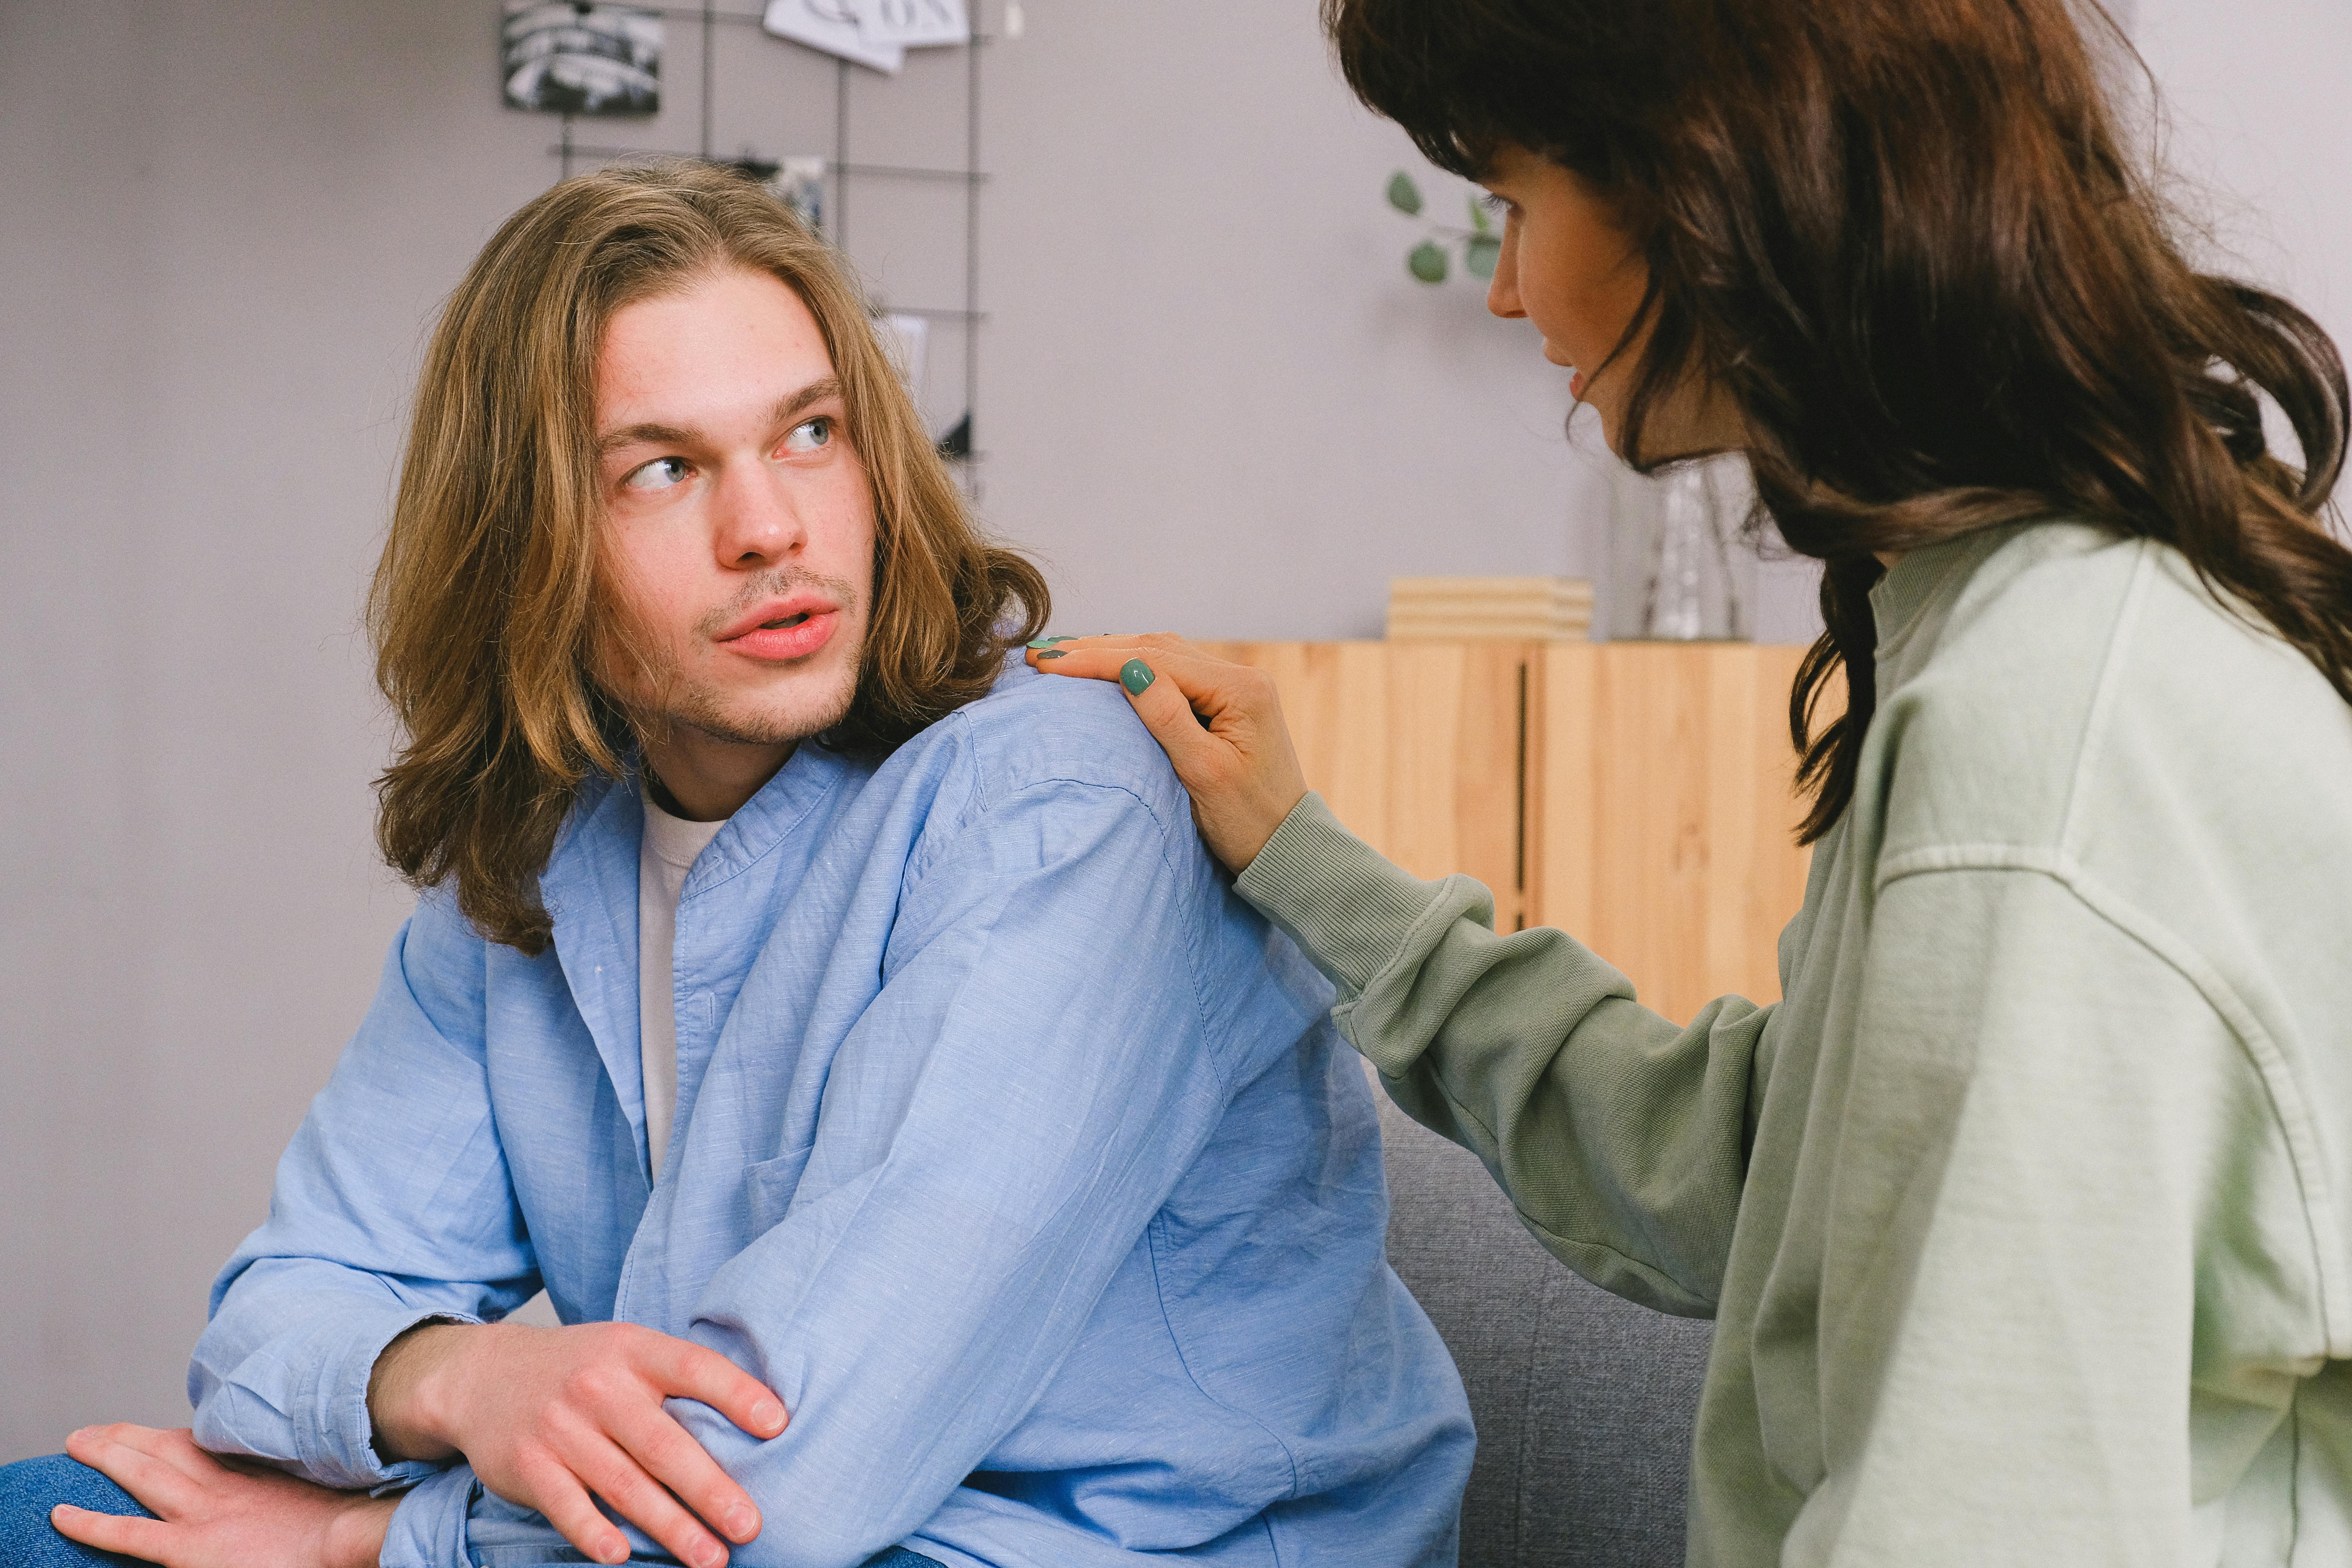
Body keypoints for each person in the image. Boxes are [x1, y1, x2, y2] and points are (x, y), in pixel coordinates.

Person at [0, 161, 1472, 1568]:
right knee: (48, 1513)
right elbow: (274, 1322)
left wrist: (375, 1535)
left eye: (811, 434)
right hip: (758, 1533)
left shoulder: (1068, 808)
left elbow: (787, 1477)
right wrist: (462, 1378)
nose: (770, 526)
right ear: (534, 548)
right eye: (662, 469)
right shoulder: (535, 861)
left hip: (1104, 1547)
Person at [1031, 0, 2352, 1561]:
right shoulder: (2016, 624)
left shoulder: (2053, 736)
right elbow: (1767, 1172)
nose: (1511, 286)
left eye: (1516, 202)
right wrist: (1310, 861)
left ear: (1707, 181)